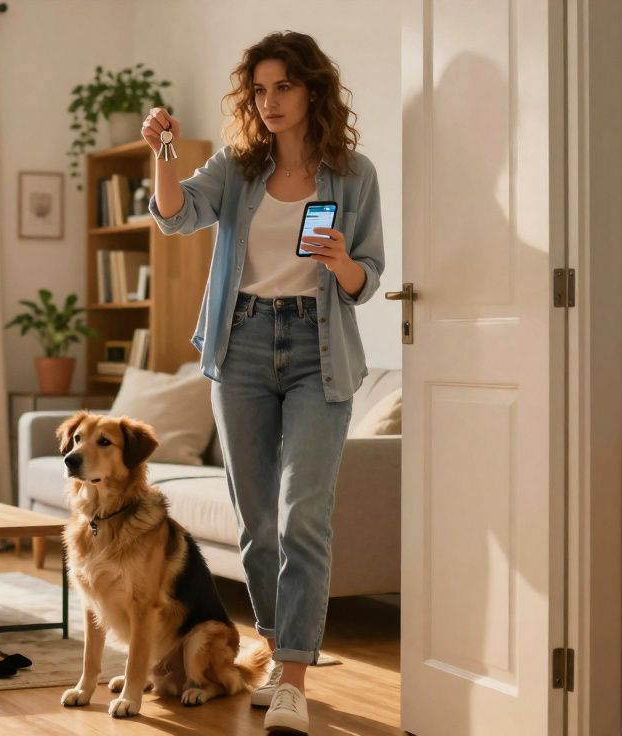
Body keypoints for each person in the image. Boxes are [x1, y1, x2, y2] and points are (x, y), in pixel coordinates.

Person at [144, 30, 385, 734]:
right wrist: (163, 154)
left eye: (284, 86)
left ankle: (294, 680)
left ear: (313, 90)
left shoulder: (355, 174)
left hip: (318, 351)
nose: (270, 101)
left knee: (302, 515)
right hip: (241, 345)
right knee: (256, 524)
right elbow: (176, 215)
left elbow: (367, 277)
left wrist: (340, 260)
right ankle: (279, 653)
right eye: (259, 90)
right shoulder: (237, 168)